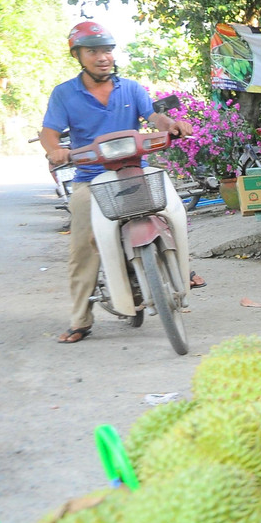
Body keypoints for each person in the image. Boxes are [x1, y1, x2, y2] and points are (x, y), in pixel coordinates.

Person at [40, 21, 192, 344]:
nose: (102, 57)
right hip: (90, 179)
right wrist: (55, 150)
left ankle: (182, 268)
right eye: (92, 51)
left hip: (135, 170)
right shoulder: (64, 93)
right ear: (78, 56)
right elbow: (49, 133)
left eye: (107, 50)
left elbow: (155, 117)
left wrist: (171, 124)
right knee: (83, 246)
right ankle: (80, 319)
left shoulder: (131, 89)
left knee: (173, 210)